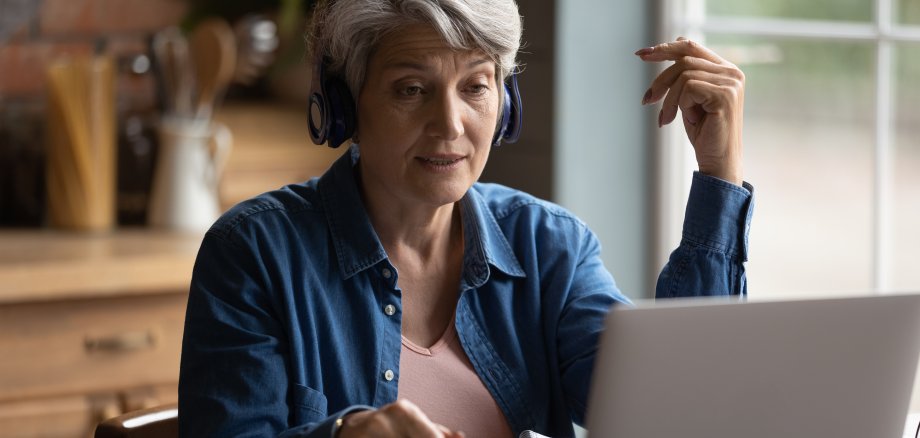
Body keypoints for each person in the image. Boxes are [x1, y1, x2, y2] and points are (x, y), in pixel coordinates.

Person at [178, 0, 753, 436]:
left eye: (475, 86)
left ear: (505, 100)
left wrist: (718, 173)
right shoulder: (254, 253)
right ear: (345, 104)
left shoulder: (550, 246)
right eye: (411, 89)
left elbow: (676, 412)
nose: (450, 124)